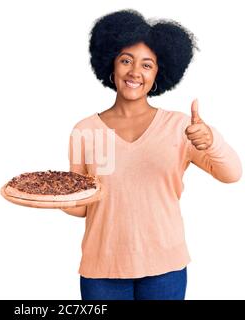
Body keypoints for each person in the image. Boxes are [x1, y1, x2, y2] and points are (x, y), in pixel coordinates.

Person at [61, 9, 242, 300]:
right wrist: (57, 196)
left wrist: (211, 141)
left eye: (147, 65)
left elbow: (232, 174)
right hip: (102, 271)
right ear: (111, 64)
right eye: (126, 61)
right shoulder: (85, 130)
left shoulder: (181, 127)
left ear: (159, 73)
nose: (135, 72)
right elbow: (82, 208)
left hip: (165, 269)